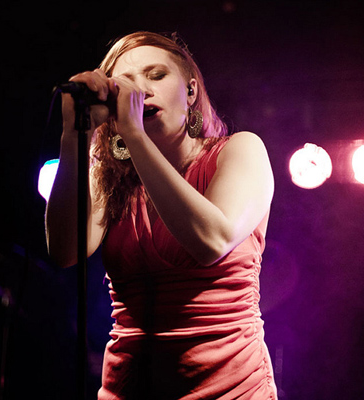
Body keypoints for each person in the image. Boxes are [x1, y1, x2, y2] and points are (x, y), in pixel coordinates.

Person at [45, 31, 277, 400]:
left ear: (190, 90)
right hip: (127, 388)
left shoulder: (240, 150)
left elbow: (210, 241)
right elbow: (64, 251)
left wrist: (133, 134)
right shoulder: (108, 175)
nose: (141, 90)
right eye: (125, 83)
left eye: (156, 75)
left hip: (230, 388)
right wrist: (75, 136)